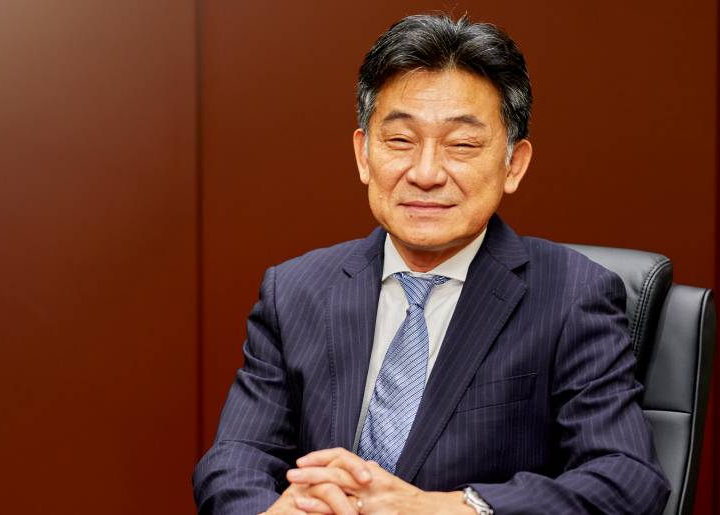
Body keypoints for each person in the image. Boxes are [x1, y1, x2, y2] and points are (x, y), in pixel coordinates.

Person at [192, 13, 669, 515]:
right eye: (400, 141)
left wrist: (445, 508)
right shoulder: (295, 290)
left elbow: (626, 477)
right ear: (363, 155)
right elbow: (233, 460)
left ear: (514, 164)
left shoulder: (572, 294)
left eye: (462, 145)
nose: (425, 173)